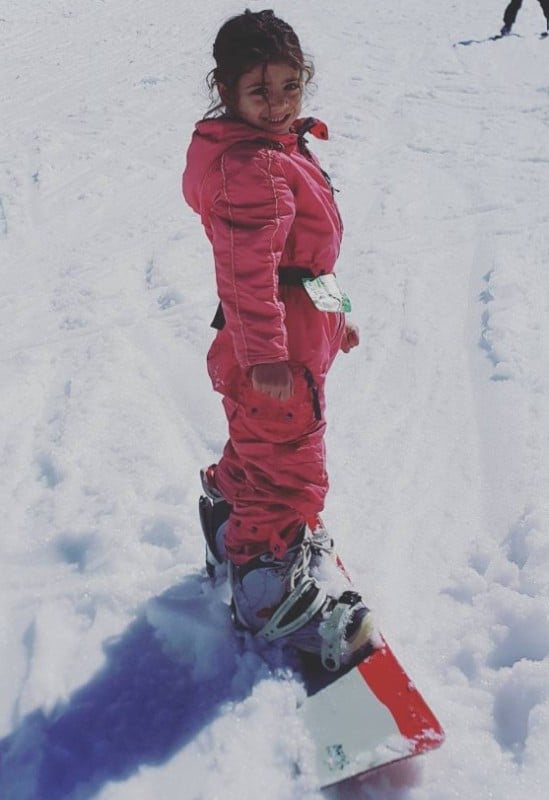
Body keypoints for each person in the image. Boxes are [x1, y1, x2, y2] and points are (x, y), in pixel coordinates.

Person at [182, 9, 373, 671]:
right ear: (225, 89)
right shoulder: (252, 168)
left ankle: (226, 510)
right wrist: (265, 356)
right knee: (290, 465)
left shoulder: (280, 147)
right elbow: (245, 269)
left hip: (293, 328)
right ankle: (264, 593)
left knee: (262, 448)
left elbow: (307, 259)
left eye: (289, 86)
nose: (277, 102)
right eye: (259, 90)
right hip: (274, 348)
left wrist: (335, 312)